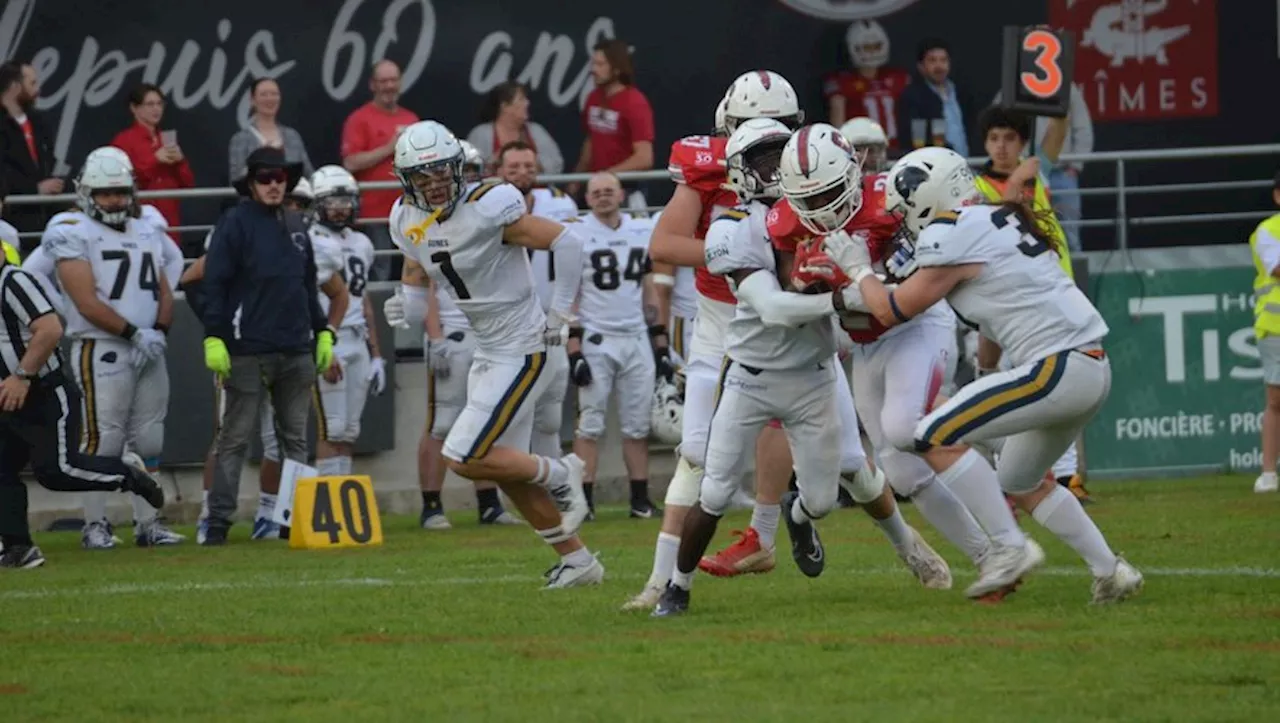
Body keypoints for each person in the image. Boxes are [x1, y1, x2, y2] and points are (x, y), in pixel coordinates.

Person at [652, 120, 943, 617]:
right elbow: (773, 308)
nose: (770, 170)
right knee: (716, 488)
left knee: (826, 498)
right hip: (750, 374)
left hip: (812, 373)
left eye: (777, 156)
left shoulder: (823, 209)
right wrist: (846, 295)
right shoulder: (731, 227)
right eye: (759, 160)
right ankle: (676, 588)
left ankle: (801, 514)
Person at [832, 146, 1143, 604]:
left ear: (926, 196)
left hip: (1056, 366)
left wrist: (857, 268)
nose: (903, 223)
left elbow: (893, 309)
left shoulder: (950, 231)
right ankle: (1111, 571)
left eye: (905, 211)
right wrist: (988, 376)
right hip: (1089, 366)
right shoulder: (995, 219)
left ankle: (1009, 549)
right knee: (1021, 479)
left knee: (931, 434)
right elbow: (994, 319)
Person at [774, 127, 1008, 594]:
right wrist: (813, 286)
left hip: (914, 324)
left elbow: (925, 272)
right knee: (899, 469)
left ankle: (992, 453)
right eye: (808, 197)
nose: (820, 207)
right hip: (864, 342)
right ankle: (988, 556)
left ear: (852, 173)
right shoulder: (785, 220)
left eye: (827, 191)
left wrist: (863, 274)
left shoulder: (891, 197)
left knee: (905, 424)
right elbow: (794, 292)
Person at [383, 120, 600, 588]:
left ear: (459, 168)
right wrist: (407, 305)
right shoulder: (404, 218)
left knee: (462, 453)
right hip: (488, 349)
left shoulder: (488, 207)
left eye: (444, 172)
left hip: (524, 346)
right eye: (425, 176)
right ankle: (579, 562)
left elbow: (567, 240)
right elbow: (419, 271)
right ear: (407, 180)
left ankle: (562, 473)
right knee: (503, 468)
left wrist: (561, 312)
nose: (437, 183)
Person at [623, 71, 804, 612]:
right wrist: (733, 253)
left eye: (777, 130)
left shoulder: (807, 165)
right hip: (720, 319)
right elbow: (665, 243)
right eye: (755, 128)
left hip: (784, 322)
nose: (766, 144)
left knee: (847, 465)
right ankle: (664, 583)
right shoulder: (706, 167)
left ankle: (788, 527)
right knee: (698, 453)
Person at [42, 148, 182, 548]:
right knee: (104, 438)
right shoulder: (71, 228)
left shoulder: (146, 226)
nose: (115, 200)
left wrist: (157, 330)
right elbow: (85, 300)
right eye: (105, 193)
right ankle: (96, 524)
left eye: (120, 191)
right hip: (101, 346)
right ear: (87, 194)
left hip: (148, 349)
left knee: (151, 439)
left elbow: (162, 286)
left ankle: (148, 523)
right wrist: (133, 333)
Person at [199, 147, 337, 545]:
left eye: (280, 178)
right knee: (235, 438)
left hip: (296, 345)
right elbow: (215, 284)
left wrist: (323, 329)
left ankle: (294, 519)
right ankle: (218, 522)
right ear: (252, 183)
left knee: (296, 437)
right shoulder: (234, 223)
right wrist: (214, 335)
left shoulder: (296, 225)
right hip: (247, 347)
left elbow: (306, 284)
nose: (275, 184)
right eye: (265, 178)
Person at [0, 251, 165, 568]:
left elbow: (50, 329)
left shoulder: (14, 281)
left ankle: (128, 476)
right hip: (8, 398)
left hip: (43, 392)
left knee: (56, 471)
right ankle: (18, 547)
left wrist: (21, 376)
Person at [972, 106, 1090, 503]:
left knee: (1068, 384)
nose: (1001, 147)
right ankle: (1007, 477)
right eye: (993, 139)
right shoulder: (977, 186)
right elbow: (1002, 222)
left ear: (1022, 142)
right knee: (1008, 387)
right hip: (1008, 300)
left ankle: (1069, 476)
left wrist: (1056, 94)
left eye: (1009, 138)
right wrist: (1018, 182)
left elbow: (1059, 125)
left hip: (1056, 289)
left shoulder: (1039, 172)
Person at [567, 172, 663, 519]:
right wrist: (574, 349)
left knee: (637, 426)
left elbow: (649, 287)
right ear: (587, 198)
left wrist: (660, 342)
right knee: (589, 423)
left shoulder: (640, 229)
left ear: (621, 194)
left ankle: (639, 499)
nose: (604, 197)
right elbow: (570, 295)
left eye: (609, 191)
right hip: (596, 337)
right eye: (597, 193)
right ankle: (584, 501)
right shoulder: (576, 232)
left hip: (636, 336)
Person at [341, 60, 420, 277]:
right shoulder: (359, 119)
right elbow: (350, 162)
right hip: (374, 215)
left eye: (393, 80)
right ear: (372, 85)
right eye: (383, 81)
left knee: (414, 270)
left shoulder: (410, 118)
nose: (389, 86)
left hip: (409, 211)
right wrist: (389, 148)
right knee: (380, 272)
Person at [992, 85, 1093, 252]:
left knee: (1070, 237)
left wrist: (1076, 165)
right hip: (1023, 173)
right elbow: (994, 123)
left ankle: (1074, 277)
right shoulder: (1012, 85)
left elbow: (1082, 127)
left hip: (1061, 174)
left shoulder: (1065, 86)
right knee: (1021, 232)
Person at [573, 39, 654, 207]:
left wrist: (606, 175)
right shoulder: (593, 98)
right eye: (593, 63)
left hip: (624, 189)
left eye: (600, 64)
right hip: (594, 187)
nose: (593, 70)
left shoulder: (635, 102)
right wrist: (577, 178)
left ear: (616, 69)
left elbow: (644, 157)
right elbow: (591, 141)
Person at [110, 84, 195, 244]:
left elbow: (188, 183)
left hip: (169, 222)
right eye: (150, 104)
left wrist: (180, 161)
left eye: (159, 103)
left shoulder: (166, 139)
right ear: (134, 108)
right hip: (138, 220)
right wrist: (155, 160)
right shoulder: (124, 140)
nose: (156, 109)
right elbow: (120, 181)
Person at [0, 61, 62, 244]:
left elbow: (48, 159)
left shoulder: (39, 122)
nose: (38, 89)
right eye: (32, 83)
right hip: (12, 220)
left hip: (43, 221)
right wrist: (34, 189)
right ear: (14, 87)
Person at [824, 20, 910, 148]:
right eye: (867, 48)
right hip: (862, 150)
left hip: (895, 149)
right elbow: (837, 124)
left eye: (876, 47)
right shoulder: (842, 82)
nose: (872, 53)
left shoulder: (897, 77)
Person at [1250, 171, 1280, 494]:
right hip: (1276, 328)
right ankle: (1269, 472)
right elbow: (1276, 268)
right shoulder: (1268, 232)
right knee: (1276, 400)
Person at [228, 78, 314, 185]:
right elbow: (236, 179)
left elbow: (309, 174)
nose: (270, 99)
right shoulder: (240, 139)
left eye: (274, 94)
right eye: (264, 94)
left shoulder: (292, 136)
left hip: (291, 199)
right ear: (252, 100)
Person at [465, 81, 564, 175]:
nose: (527, 103)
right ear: (505, 106)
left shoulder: (536, 131)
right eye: (521, 99)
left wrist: (534, 165)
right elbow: (469, 169)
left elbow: (557, 164)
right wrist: (492, 164)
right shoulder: (481, 134)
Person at [897, 38, 972, 156]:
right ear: (920, 66)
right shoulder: (912, 97)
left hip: (972, 162)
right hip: (938, 164)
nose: (939, 66)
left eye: (943, 60)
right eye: (932, 60)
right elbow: (914, 140)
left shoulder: (961, 92)